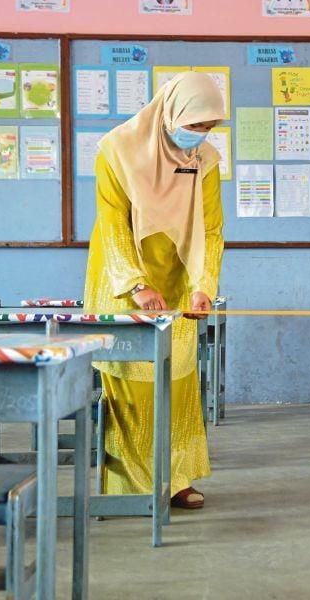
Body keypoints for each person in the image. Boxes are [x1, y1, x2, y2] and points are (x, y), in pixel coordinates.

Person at [83, 71, 226, 509]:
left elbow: (212, 228)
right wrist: (136, 283)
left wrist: (204, 286)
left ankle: (176, 479)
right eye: (194, 126)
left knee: (179, 384)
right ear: (170, 113)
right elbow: (112, 223)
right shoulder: (118, 151)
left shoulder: (205, 159)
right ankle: (134, 488)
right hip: (123, 284)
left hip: (178, 282)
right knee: (134, 387)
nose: (198, 136)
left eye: (208, 128)